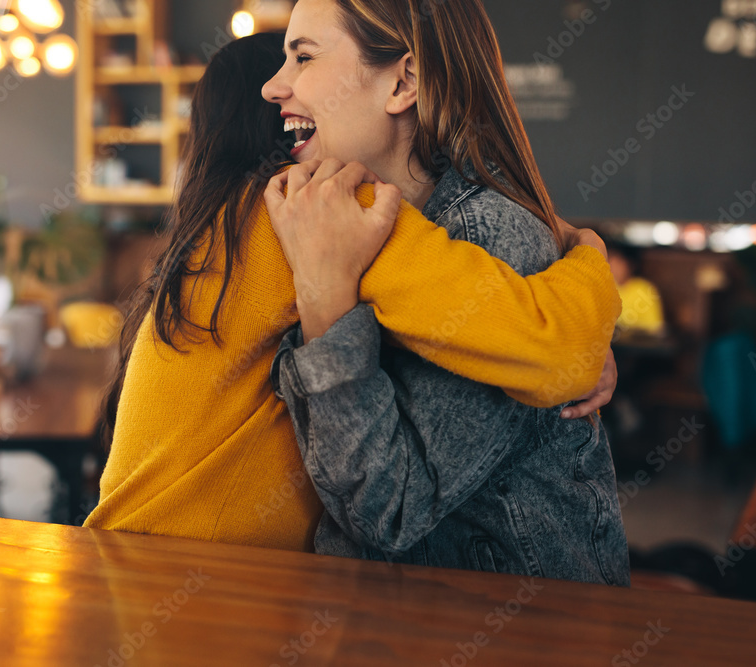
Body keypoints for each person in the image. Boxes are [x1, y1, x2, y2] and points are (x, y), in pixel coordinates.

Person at [85, 32, 620, 570]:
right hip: (205, 592)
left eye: (307, 59)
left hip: (132, 570)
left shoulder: (221, 230)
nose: (283, 85)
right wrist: (584, 256)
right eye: (290, 62)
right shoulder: (311, 206)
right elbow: (557, 346)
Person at [263, 0, 629, 585]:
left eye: (302, 56)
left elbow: (387, 512)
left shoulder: (489, 238)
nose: (273, 85)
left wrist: (326, 305)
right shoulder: (329, 219)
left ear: (403, 82)